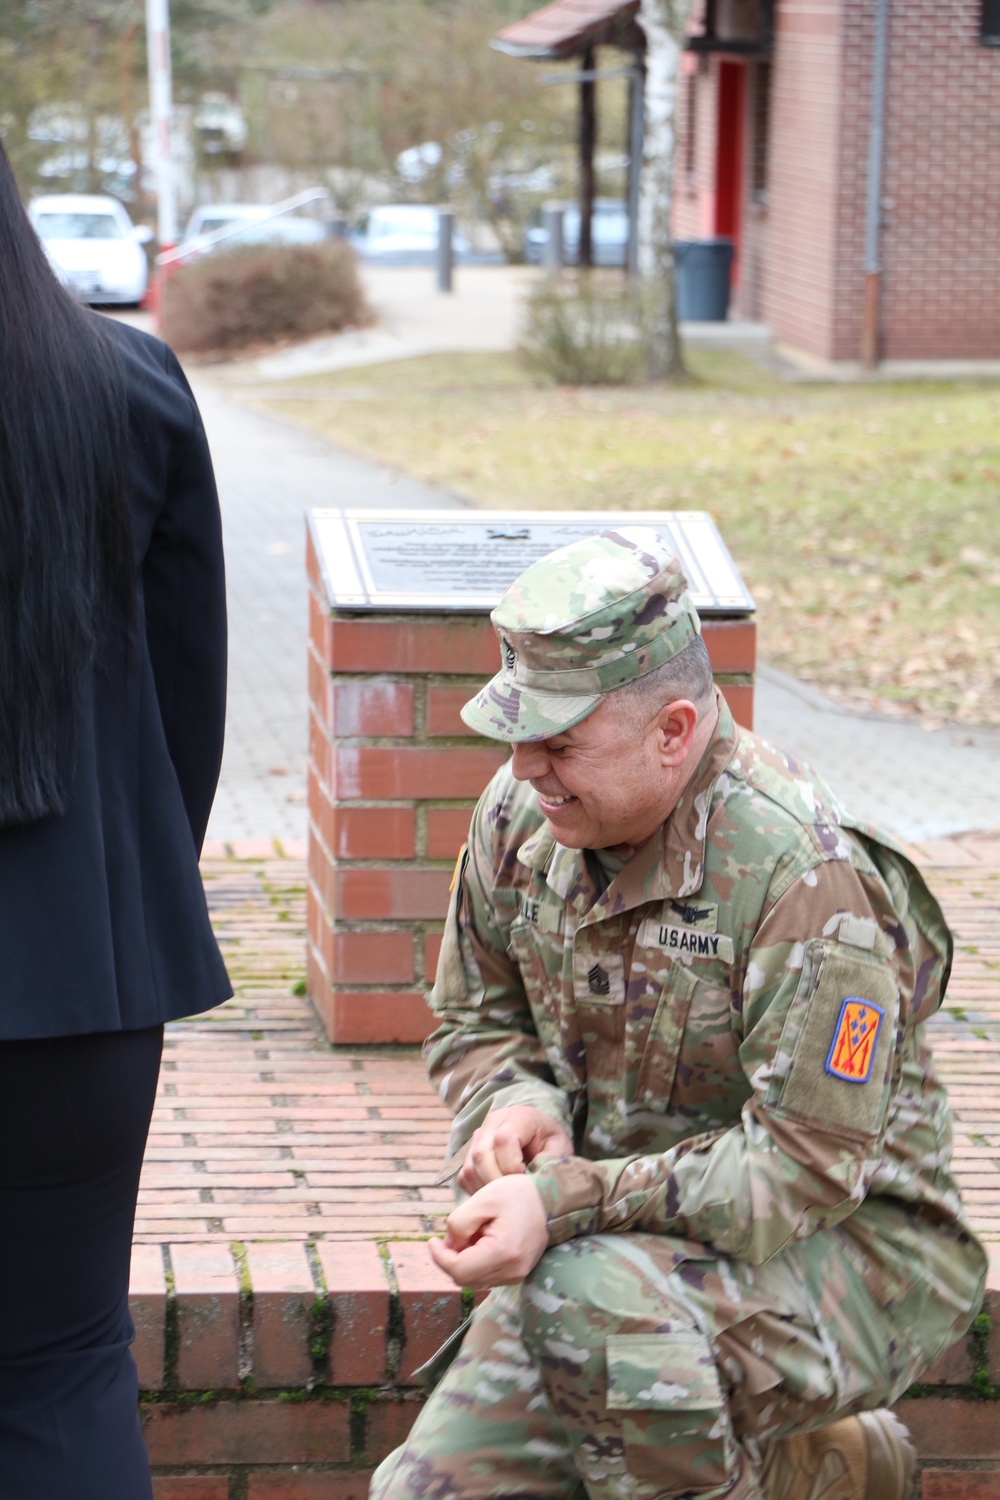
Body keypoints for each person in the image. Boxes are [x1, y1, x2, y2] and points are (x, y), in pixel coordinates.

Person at [371, 528, 987, 1500]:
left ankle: (785, 1460)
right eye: (518, 732)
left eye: (560, 740)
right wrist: (513, 1102)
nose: (525, 766)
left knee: (591, 1309)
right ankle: (808, 1464)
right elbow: (471, 1017)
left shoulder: (804, 880)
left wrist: (563, 1201)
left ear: (674, 730)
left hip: (851, 1253)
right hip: (617, 1253)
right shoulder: (525, 813)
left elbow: (800, 1170)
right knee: (428, 1492)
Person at [0, 142, 230, 1498]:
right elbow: (185, 706)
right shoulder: (130, 385)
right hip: (78, 978)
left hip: (88, 969)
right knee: (58, 1366)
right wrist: (126, 896)